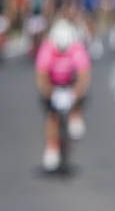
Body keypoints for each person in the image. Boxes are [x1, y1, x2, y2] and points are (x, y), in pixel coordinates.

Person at [34, 19, 92, 171]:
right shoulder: (46, 49)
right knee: (52, 115)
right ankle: (51, 146)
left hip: (71, 85)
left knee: (81, 99)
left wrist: (75, 95)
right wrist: (50, 93)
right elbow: (41, 76)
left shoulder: (77, 49)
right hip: (53, 86)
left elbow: (84, 76)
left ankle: (75, 116)